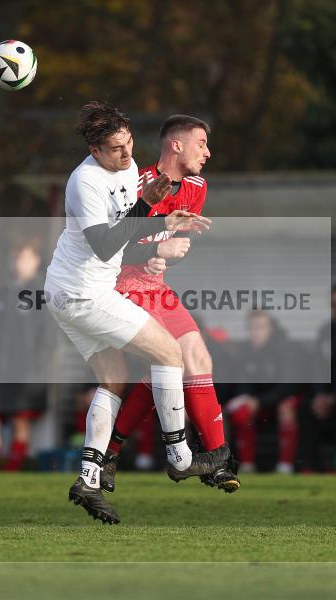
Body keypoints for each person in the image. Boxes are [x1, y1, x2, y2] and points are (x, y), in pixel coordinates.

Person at [43, 102, 226, 524]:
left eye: (128, 145)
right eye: (114, 150)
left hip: (77, 290)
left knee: (114, 379)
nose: (126, 157)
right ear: (93, 149)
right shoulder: (84, 182)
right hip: (84, 292)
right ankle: (181, 456)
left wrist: (165, 221)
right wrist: (148, 206)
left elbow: (128, 227)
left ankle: (89, 477)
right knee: (169, 354)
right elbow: (106, 245)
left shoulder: (124, 168)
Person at [99, 114, 239, 494]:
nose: (207, 153)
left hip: (155, 285)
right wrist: (158, 249)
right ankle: (114, 454)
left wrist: (166, 256)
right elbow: (105, 247)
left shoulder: (196, 186)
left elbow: (169, 243)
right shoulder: (134, 184)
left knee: (195, 358)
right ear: (176, 145)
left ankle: (214, 458)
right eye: (201, 144)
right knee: (169, 359)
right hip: (120, 285)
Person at [0, 241, 52, 471]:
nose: (19, 262)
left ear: (36, 261)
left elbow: (47, 336)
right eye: (16, 257)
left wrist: (38, 366)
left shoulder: (40, 293)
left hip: (25, 371)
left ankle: (12, 473)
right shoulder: (0, 292)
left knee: (21, 422)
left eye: (25, 257)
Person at [224, 310, 299, 473]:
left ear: (270, 328)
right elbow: (241, 382)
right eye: (252, 328)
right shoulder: (244, 351)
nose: (255, 332)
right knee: (240, 410)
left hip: (281, 399)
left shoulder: (286, 349)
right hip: (258, 403)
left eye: (260, 327)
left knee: (286, 407)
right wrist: (247, 399)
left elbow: (288, 386)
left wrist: (259, 401)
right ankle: (247, 464)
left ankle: (285, 466)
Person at [297, 285, 336, 472]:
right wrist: (320, 395)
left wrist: (334, 397)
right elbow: (318, 367)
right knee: (306, 406)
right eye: (334, 305)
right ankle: (311, 465)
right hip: (327, 391)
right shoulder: (325, 332)